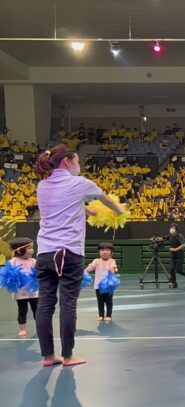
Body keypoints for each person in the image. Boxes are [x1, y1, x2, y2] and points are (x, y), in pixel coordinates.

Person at [34, 144, 124, 367]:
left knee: (45, 303)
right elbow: (105, 199)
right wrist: (119, 210)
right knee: (68, 304)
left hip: (44, 251)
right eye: (76, 161)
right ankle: (67, 356)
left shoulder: (42, 185)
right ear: (67, 162)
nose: (79, 166)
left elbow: (60, 205)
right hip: (68, 251)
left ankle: (48, 356)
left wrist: (87, 210)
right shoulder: (79, 183)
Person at [8, 237, 38, 337]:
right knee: (22, 310)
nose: (32, 250)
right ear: (20, 250)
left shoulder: (33, 261)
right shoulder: (13, 261)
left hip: (34, 291)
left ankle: (40, 327)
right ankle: (22, 329)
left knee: (37, 309)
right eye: (29, 248)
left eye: (32, 248)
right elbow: (8, 274)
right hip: (20, 292)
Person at [86, 242, 118, 322]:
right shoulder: (96, 261)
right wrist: (85, 271)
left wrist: (111, 273)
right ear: (99, 252)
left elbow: (112, 269)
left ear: (111, 253)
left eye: (107, 250)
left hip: (108, 286)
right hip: (98, 286)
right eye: (102, 250)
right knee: (100, 301)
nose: (104, 252)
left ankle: (108, 315)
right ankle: (101, 315)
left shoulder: (112, 261)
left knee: (109, 301)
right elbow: (91, 267)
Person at [168, 223, 185, 288]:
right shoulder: (170, 236)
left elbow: (183, 245)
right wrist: (156, 238)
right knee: (171, 269)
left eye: (173, 228)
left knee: (178, 270)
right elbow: (163, 238)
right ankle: (174, 284)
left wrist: (175, 249)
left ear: (176, 229)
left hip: (179, 256)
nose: (171, 229)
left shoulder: (179, 236)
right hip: (173, 256)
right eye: (171, 227)